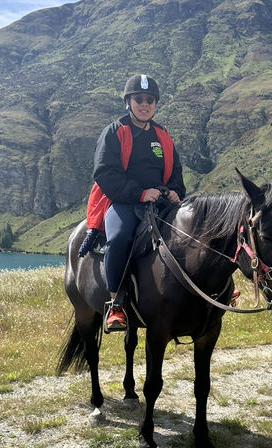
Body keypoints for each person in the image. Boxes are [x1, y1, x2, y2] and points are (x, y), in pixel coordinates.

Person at [83, 74, 186, 332]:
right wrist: (140, 194)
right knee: (118, 238)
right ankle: (116, 303)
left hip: (161, 202)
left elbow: (176, 172)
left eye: (150, 100)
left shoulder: (163, 135)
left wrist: (174, 191)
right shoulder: (115, 132)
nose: (145, 104)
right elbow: (105, 173)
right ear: (128, 101)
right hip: (125, 202)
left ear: (155, 104)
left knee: (191, 231)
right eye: (139, 99)